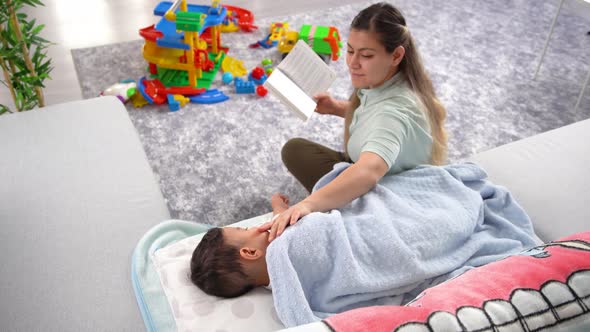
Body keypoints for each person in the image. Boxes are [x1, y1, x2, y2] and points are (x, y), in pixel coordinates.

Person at [268, 2, 447, 242]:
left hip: (387, 193)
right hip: (370, 166)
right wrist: (337, 108)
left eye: (366, 55)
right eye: (350, 50)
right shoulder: (389, 81)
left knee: (321, 190)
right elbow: (373, 116)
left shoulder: (394, 112)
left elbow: (369, 170)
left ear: (396, 55)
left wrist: (307, 205)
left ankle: (345, 207)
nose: (352, 63)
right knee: (295, 149)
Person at [190, 193, 288, 298]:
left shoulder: (284, 291)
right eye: (245, 230)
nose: (253, 227)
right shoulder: (283, 239)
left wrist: (279, 206)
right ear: (250, 252)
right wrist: (308, 202)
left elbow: (281, 219)